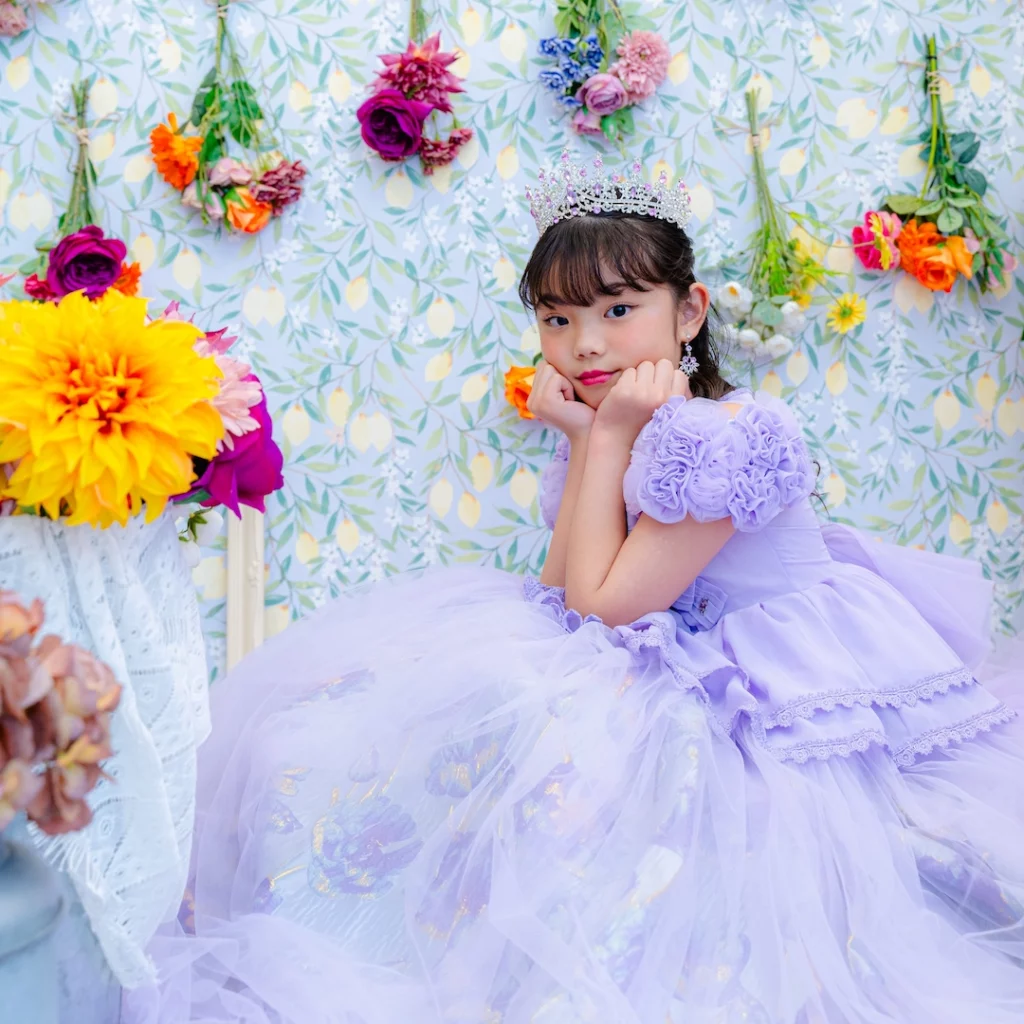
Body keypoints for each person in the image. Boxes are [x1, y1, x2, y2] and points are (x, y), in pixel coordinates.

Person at [124, 155, 1024, 1024]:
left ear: (689, 312)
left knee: (640, 793)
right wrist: (588, 437)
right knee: (390, 722)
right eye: (556, 318)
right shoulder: (619, 426)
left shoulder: (726, 435)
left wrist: (609, 434)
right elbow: (557, 596)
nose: (584, 343)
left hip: (778, 673)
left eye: (618, 309)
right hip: (680, 653)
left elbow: (601, 607)